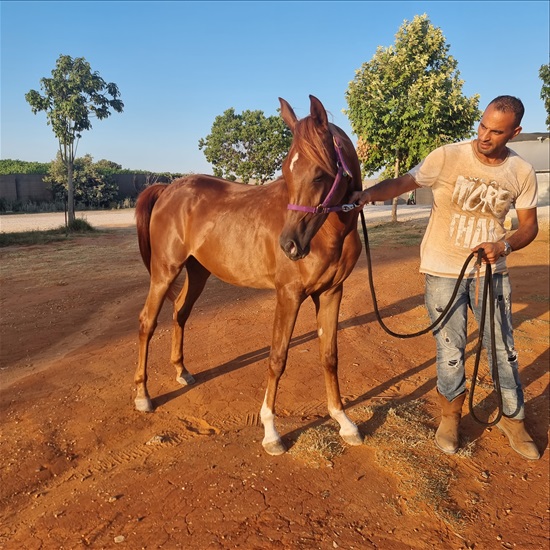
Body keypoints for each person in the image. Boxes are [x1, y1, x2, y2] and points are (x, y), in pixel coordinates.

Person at [351, 96, 540, 460]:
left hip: (491, 275)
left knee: (503, 348)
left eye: (496, 131)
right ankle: (450, 417)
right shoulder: (447, 156)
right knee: (450, 351)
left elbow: (528, 227)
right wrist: (368, 195)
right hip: (441, 271)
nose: (484, 136)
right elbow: (404, 182)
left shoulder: (521, 172)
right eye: (482, 125)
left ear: (514, 133)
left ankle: (513, 420)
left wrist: (503, 246)